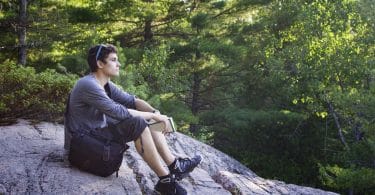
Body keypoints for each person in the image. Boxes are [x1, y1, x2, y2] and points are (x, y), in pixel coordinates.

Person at [64, 44, 202, 195]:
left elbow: (132, 101)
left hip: (97, 136)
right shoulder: (88, 85)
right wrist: (155, 116)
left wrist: (156, 113)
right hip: (83, 146)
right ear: (100, 64)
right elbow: (119, 112)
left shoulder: (106, 85)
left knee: (147, 118)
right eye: (114, 60)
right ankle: (166, 181)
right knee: (139, 122)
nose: (119, 64)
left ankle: (175, 165)